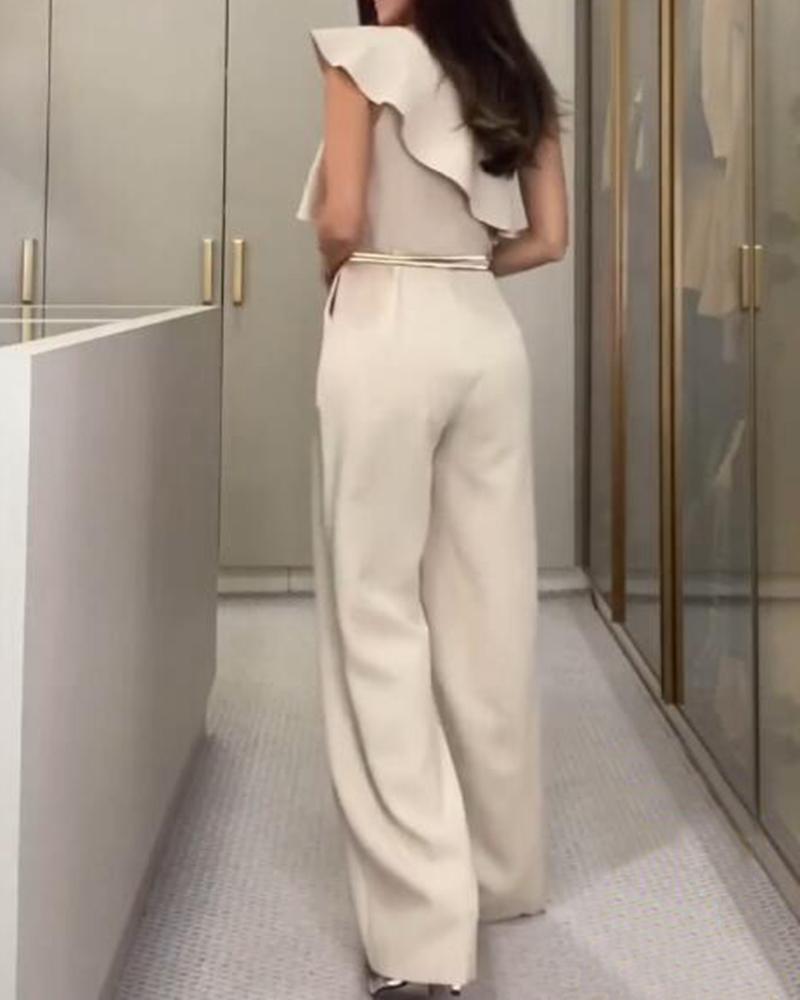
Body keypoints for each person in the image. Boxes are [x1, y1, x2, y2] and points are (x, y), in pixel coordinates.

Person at [296, 0, 569, 995]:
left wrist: (349, 281)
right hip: (484, 334)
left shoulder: (359, 58)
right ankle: (498, 873)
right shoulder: (517, 77)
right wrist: (463, 268)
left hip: (387, 312)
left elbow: (340, 220)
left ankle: (421, 931)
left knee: (375, 613)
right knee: (485, 608)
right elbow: (548, 239)